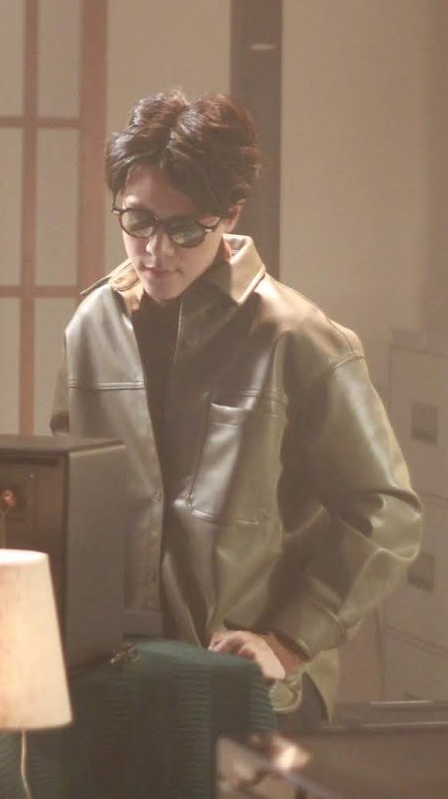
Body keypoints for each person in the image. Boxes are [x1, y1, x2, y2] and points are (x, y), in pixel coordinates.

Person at [50, 89, 423, 731]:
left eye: (183, 229)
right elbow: (67, 490)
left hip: (249, 678)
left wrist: (289, 642)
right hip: (118, 667)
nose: (156, 251)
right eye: (138, 221)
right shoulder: (93, 325)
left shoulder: (297, 338)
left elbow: (387, 515)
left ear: (229, 214)